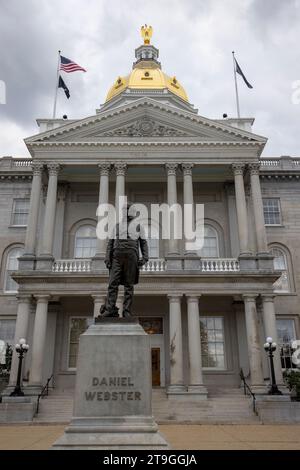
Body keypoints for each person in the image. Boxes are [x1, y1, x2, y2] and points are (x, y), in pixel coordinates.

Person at [101, 202, 149, 318]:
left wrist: (145, 257)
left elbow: (143, 243)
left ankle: (126, 310)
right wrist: (107, 257)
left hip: (131, 256)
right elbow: (110, 243)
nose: (126, 212)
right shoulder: (116, 226)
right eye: (125, 209)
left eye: (128, 209)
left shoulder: (139, 226)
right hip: (116, 256)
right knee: (113, 283)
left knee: (129, 285)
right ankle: (110, 308)